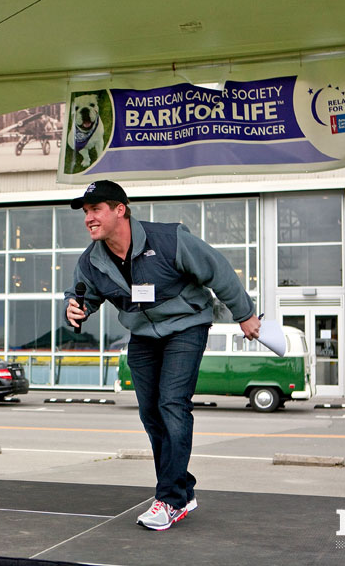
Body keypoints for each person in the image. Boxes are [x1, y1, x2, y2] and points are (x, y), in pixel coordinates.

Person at [64, 180, 260, 531]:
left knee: (172, 404)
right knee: (151, 412)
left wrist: (244, 313)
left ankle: (169, 500)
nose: (88, 218)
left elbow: (218, 270)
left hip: (186, 325)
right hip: (142, 333)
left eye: (95, 210)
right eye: (86, 213)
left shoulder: (169, 239)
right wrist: (76, 307)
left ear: (119, 210)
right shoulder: (92, 260)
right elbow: (84, 294)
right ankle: (181, 488)